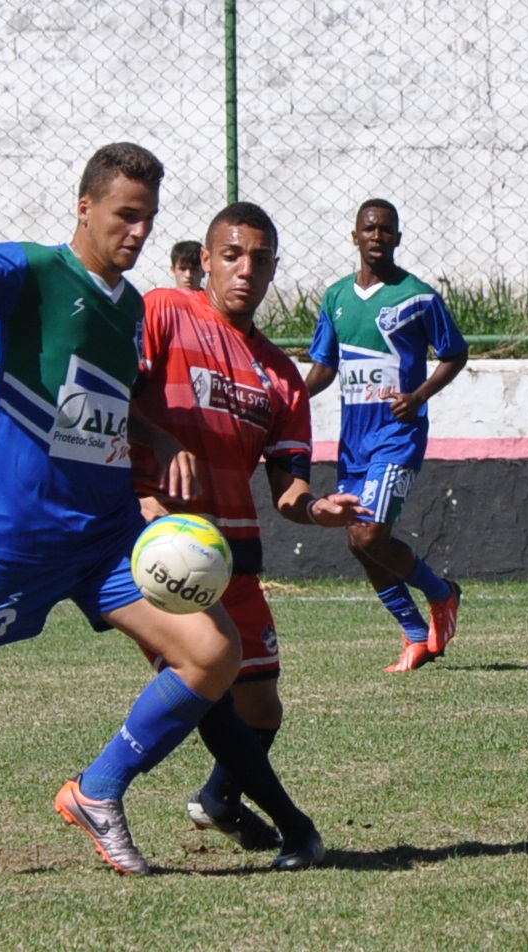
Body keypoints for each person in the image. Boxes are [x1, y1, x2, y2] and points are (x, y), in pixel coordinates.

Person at [0, 144, 307, 881]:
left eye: (148, 218)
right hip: (15, 535)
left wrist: (159, 436)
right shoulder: (32, 272)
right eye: (125, 215)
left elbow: (106, 401)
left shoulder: (129, 307)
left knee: (212, 652)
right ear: (85, 207)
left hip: (105, 535)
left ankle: (98, 791)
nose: (138, 232)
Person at [132, 201, 367, 862]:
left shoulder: (281, 377)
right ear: (205, 260)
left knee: (261, 706)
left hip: (231, 556)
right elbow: (108, 396)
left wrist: (314, 509)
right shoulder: (164, 313)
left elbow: (287, 489)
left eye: (259, 260)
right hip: (163, 549)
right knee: (205, 681)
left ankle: (218, 799)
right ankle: (297, 828)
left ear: (273, 269)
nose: (245, 270)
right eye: (231, 256)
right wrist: (146, 486)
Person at [304, 199, 468, 673]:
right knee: (358, 541)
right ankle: (416, 633)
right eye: (369, 228)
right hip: (353, 442)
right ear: (355, 235)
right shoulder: (336, 298)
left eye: (386, 229)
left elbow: (455, 354)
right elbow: (325, 366)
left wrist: (418, 396)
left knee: (371, 532)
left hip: (398, 435)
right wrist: (291, 397)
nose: (377, 236)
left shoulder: (418, 297)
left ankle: (441, 593)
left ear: (397, 237)